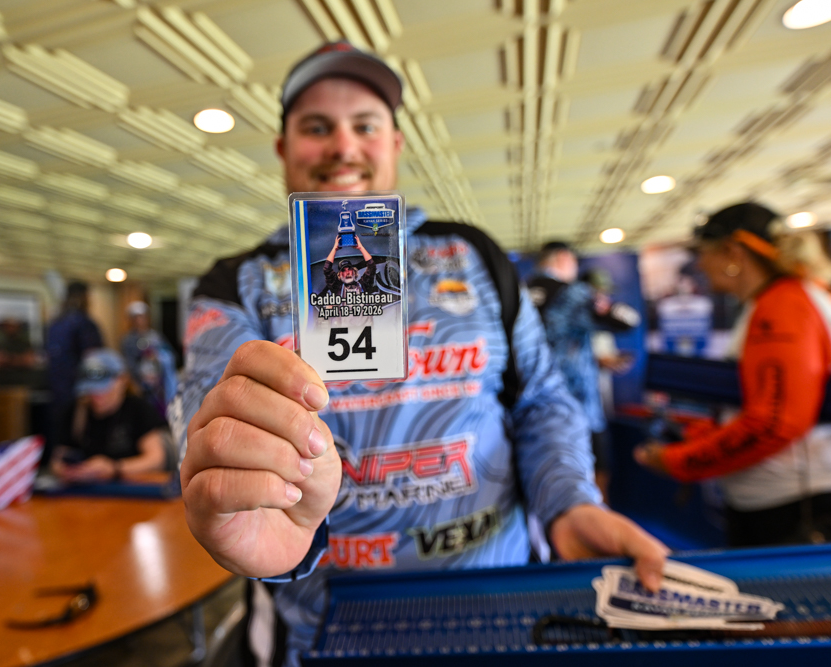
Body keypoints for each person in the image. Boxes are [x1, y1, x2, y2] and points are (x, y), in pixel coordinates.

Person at [179, 41, 667, 666]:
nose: (343, 147)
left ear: (396, 143)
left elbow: (541, 399)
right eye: (317, 128)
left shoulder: (473, 255)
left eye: (365, 126)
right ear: (282, 148)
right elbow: (204, 424)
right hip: (321, 621)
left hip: (500, 602)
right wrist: (231, 487)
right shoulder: (237, 283)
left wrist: (567, 501)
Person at [635, 202, 831, 547]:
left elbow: (775, 423)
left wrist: (678, 460)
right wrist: (700, 437)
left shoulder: (783, 305)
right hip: (782, 497)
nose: (700, 264)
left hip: (795, 507)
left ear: (732, 252)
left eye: (703, 253)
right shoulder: (776, 300)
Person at [528, 243, 640, 498]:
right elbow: (627, 321)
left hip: (533, 406)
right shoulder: (572, 293)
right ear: (563, 258)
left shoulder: (518, 292)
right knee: (593, 477)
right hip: (578, 406)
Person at [51, 349, 167, 483]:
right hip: (85, 491)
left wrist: (113, 468)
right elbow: (57, 461)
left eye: (104, 388)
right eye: (90, 389)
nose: (97, 396)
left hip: (132, 488)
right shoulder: (75, 411)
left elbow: (156, 460)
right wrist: (68, 471)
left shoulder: (138, 409)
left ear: (122, 380)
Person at [45, 281, 103, 462]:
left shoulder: (54, 323)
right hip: (80, 391)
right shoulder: (83, 323)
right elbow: (94, 359)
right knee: (79, 439)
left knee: (60, 436)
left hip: (56, 390)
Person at [120, 301, 177, 414]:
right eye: (135, 318)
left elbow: (170, 356)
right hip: (139, 386)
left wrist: (158, 357)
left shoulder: (156, 337)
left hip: (158, 387)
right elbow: (126, 364)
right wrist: (133, 384)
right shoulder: (127, 341)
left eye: (141, 317)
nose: (139, 321)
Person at [321, 234, 375, 298]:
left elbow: (372, 266)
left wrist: (361, 247)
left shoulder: (363, 285)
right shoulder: (337, 288)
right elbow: (327, 269)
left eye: (349, 269)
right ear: (340, 275)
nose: (347, 273)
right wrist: (334, 249)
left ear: (354, 272)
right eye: (344, 270)